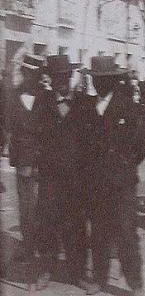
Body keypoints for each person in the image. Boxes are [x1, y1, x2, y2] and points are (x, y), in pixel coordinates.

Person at [79, 56, 145, 295]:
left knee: (127, 233)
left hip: (122, 183)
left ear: (113, 80)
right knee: (99, 232)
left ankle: (135, 283)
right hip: (96, 182)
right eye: (96, 79)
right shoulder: (87, 107)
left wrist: (126, 164)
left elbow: (144, 143)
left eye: (104, 80)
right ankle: (99, 279)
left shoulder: (129, 106)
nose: (99, 84)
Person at [32, 55, 96, 291]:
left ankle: (78, 273)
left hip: (76, 178)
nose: (61, 81)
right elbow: (33, 133)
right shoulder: (42, 101)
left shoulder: (84, 103)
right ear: (52, 78)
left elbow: (92, 142)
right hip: (49, 176)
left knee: (76, 224)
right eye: (57, 77)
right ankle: (46, 269)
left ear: (71, 76)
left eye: (64, 76)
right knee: (47, 222)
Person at [8, 52, 45, 289]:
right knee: (26, 212)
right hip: (23, 164)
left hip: (44, 165)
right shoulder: (12, 97)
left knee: (44, 213)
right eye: (27, 73)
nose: (30, 78)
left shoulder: (45, 97)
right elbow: (8, 127)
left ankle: (43, 258)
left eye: (34, 74)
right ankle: (30, 254)